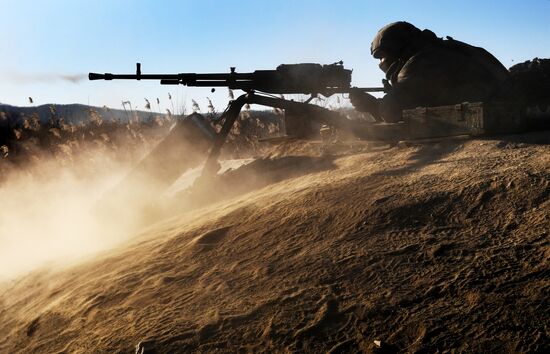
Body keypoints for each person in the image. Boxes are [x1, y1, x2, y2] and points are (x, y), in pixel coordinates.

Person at [350, 21, 510, 122]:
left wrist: (372, 105)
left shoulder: (420, 62)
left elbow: (391, 111)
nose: (381, 63)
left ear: (395, 50)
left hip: (498, 117)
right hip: (508, 106)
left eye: (381, 57)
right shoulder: (449, 48)